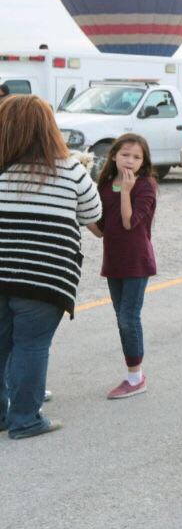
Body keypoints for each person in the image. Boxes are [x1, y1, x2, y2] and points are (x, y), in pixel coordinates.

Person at [0, 95, 102, 439]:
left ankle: (2, 415)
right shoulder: (70, 168)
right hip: (44, 276)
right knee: (31, 345)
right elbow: (93, 214)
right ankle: (25, 419)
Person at [91, 133, 158, 400]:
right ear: (114, 156)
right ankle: (134, 375)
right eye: (125, 155)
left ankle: (135, 377)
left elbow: (130, 223)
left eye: (136, 157)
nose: (130, 161)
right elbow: (99, 230)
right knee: (122, 319)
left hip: (137, 261)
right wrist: (80, 209)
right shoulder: (106, 185)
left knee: (129, 319)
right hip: (114, 262)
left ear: (144, 162)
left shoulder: (145, 186)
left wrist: (127, 192)